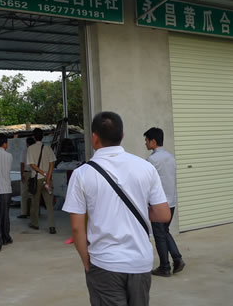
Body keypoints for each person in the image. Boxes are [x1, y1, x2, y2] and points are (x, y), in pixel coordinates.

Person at [63, 112, 171, 306]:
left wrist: (86, 261)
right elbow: (163, 214)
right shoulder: (145, 167)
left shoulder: (81, 174)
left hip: (104, 263)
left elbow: (77, 228)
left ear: (94, 137)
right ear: (122, 135)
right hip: (140, 262)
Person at [144, 127, 186, 277]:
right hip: (171, 202)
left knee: (159, 235)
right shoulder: (171, 157)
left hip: (158, 203)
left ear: (153, 142)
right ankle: (177, 259)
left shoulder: (152, 160)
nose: (145, 143)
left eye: (146, 140)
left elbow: (147, 182)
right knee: (164, 231)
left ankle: (165, 267)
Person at [27, 128, 57, 234]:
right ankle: (52, 226)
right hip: (47, 180)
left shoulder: (30, 148)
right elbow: (52, 163)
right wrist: (48, 176)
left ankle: (35, 223)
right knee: (49, 204)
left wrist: (42, 172)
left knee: (35, 202)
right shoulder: (48, 148)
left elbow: (32, 164)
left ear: (34, 137)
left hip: (36, 179)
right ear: (42, 137)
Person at [18, 137, 36, 219]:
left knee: (24, 194)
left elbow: (22, 164)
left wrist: (21, 175)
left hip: (26, 173)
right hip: (34, 173)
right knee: (33, 193)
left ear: (27, 143)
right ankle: (34, 212)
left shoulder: (24, 151)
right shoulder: (36, 152)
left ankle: (24, 212)